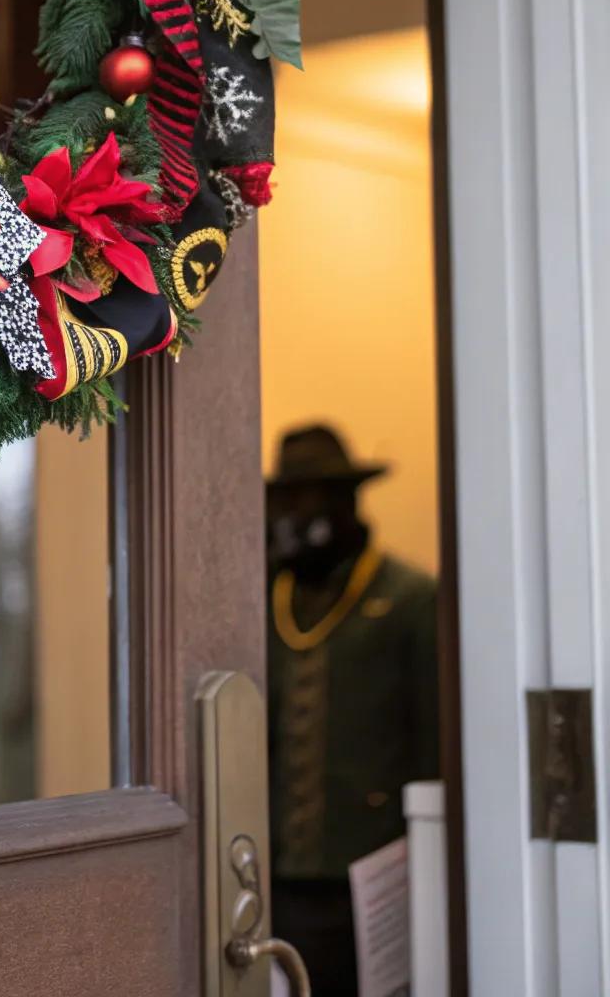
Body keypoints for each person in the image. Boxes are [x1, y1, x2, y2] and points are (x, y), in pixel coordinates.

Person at [266, 423, 439, 997]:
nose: (296, 511)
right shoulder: (259, 598)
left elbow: (434, 750)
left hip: (373, 877)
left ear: (347, 498)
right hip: (272, 881)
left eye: (312, 494)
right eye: (286, 497)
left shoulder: (413, 600)